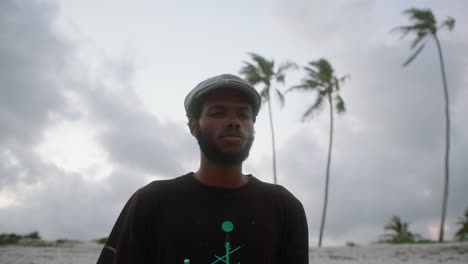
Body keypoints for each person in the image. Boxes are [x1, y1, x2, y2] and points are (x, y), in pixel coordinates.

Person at [96, 74, 309, 264]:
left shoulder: (283, 207)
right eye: (218, 112)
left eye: (244, 115)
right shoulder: (152, 201)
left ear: (252, 127)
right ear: (193, 126)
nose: (234, 121)